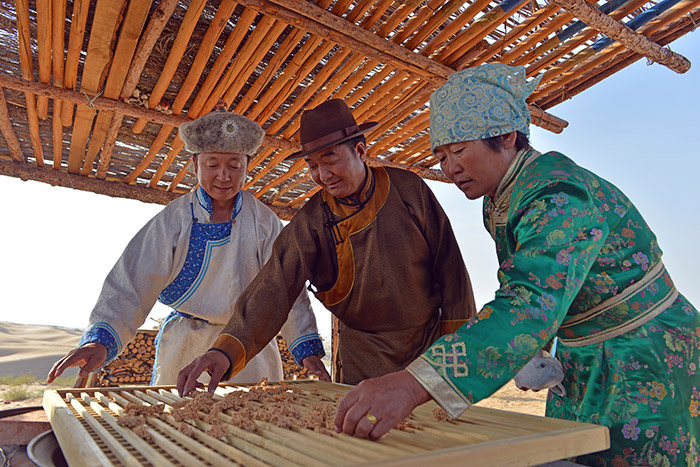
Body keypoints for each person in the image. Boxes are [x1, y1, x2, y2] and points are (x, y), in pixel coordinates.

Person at [331, 63, 700, 466]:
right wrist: (536, 349)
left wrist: (414, 384)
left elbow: (529, 301)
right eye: (441, 156)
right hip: (583, 359)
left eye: (459, 150)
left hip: (640, 356)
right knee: (574, 451)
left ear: (506, 136)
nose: (449, 168)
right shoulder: (500, 201)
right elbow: (525, 283)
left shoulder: (558, 194)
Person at [176, 98, 477, 395]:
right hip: (363, 359)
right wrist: (224, 352)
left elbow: (451, 271)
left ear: (360, 151)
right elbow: (274, 287)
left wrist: (454, 352)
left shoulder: (408, 189)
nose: (323, 175)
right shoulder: (311, 221)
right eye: (313, 166)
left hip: (428, 349)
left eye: (330, 159)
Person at [47, 111, 328, 386]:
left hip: (247, 349)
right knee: (181, 414)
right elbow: (131, 283)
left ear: (247, 167)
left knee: (253, 412)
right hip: (186, 349)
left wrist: (306, 349)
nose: (223, 176)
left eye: (234, 166)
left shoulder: (265, 222)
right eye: (212, 165)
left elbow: (285, 287)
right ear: (195, 165)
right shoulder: (173, 220)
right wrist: (100, 342)